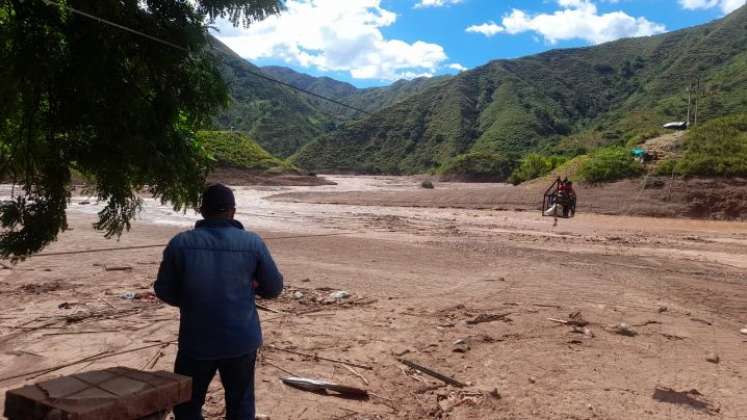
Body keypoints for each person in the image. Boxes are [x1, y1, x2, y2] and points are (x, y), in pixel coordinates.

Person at [154, 184, 284, 420]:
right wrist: (254, 288)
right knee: (241, 405)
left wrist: (191, 301)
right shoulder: (253, 243)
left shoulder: (180, 243)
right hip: (241, 340)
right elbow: (274, 288)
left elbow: (163, 290)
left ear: (202, 211)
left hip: (196, 342)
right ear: (233, 212)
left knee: (187, 406)